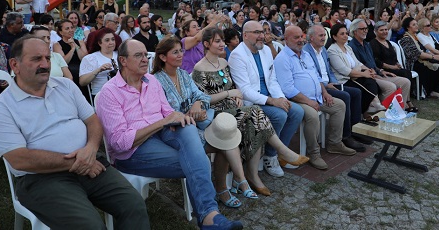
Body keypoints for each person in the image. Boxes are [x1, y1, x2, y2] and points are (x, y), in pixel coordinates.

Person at [0, 36, 150, 229]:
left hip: (92, 162)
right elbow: (20, 159)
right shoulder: (1, 108)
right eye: (37, 59)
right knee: (90, 226)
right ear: (15, 64)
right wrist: (80, 162)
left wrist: (90, 148)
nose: (45, 64)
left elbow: (93, 121)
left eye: (47, 58)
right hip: (42, 179)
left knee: (134, 205)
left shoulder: (66, 86)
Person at [96, 39, 244, 230]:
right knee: (198, 161)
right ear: (123, 61)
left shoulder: (151, 82)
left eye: (145, 54)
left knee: (189, 128)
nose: (145, 59)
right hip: (134, 151)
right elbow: (120, 143)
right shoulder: (110, 93)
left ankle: (209, 215)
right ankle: (209, 215)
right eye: (138, 55)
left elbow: (167, 111)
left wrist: (180, 118)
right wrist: (163, 122)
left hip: (162, 134)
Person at [193, 29, 308, 195]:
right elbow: (202, 100)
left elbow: (234, 88)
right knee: (255, 112)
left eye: (222, 40)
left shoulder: (224, 63)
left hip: (233, 109)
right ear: (206, 44)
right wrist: (229, 94)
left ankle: (252, 176)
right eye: (217, 41)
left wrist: (237, 96)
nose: (222, 44)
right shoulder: (199, 68)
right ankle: (279, 154)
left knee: (255, 122)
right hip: (217, 115)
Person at [154, 37, 258, 206]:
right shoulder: (156, 81)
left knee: (227, 133)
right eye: (175, 52)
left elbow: (201, 96)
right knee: (225, 140)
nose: (181, 55)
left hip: (196, 122)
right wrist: (190, 114)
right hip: (176, 131)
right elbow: (163, 112)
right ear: (163, 57)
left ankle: (232, 183)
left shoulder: (182, 74)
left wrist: (196, 105)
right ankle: (228, 186)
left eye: (181, 50)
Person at [228, 21, 304, 176]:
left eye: (262, 32)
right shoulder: (237, 55)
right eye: (256, 32)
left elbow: (272, 80)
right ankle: (271, 155)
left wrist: (281, 98)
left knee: (296, 111)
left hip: (270, 95)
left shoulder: (266, 51)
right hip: (252, 103)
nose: (261, 36)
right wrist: (272, 101)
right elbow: (245, 91)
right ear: (245, 35)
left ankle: (282, 151)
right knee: (280, 115)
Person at [274, 26, 353, 170]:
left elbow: (317, 77)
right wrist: (308, 101)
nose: (300, 40)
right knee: (312, 116)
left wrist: (324, 92)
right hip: (296, 100)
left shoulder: (305, 54)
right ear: (286, 39)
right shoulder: (282, 59)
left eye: (301, 36)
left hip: (317, 96)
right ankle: (314, 153)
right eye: (296, 37)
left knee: (339, 105)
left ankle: (335, 143)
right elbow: (288, 89)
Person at [304, 25, 368, 150]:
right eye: (321, 35)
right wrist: (326, 85)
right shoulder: (306, 52)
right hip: (319, 87)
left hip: (329, 83)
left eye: (324, 35)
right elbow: (312, 75)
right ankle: (345, 136)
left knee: (356, 92)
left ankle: (355, 130)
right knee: (345, 96)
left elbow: (329, 71)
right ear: (311, 37)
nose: (324, 38)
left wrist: (333, 82)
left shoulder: (322, 50)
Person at [349, 18, 414, 108]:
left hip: (377, 72)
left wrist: (381, 71)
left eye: (366, 28)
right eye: (362, 29)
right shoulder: (352, 47)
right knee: (390, 86)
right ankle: (384, 113)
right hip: (367, 76)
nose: (365, 31)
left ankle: (399, 109)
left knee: (405, 82)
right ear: (355, 31)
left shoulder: (366, 44)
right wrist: (374, 72)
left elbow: (373, 63)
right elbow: (358, 66)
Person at [327, 23, 382, 116]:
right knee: (366, 85)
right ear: (334, 37)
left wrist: (368, 70)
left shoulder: (348, 48)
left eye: (346, 33)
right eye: (342, 34)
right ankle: (367, 109)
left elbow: (358, 63)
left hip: (355, 75)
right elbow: (345, 71)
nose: (345, 36)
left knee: (371, 81)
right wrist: (364, 74)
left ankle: (369, 108)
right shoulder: (332, 50)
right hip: (344, 80)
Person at [369, 21, 420, 110]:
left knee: (406, 73)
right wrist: (391, 67)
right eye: (381, 30)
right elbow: (376, 61)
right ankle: (407, 102)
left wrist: (397, 63)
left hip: (394, 67)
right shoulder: (373, 44)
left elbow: (394, 57)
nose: (385, 32)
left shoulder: (388, 42)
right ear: (376, 31)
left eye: (386, 29)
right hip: (383, 69)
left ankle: (404, 103)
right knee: (405, 74)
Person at [399, 17, 439, 100]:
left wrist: (432, 55)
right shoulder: (406, 39)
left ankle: (434, 91)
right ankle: (426, 92)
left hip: (420, 60)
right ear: (408, 27)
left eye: (416, 24)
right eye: (413, 25)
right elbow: (417, 54)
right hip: (413, 62)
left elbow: (423, 50)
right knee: (434, 66)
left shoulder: (415, 37)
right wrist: (433, 56)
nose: (416, 26)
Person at [79, 28, 119, 97]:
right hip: (102, 94)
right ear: (99, 43)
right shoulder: (90, 58)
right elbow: (82, 82)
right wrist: (98, 70)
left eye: (113, 39)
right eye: (107, 40)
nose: (111, 42)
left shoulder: (120, 55)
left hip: (121, 93)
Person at [53, 19, 88, 86]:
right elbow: (63, 62)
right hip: (68, 72)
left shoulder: (80, 42)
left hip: (81, 71)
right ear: (61, 32)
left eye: (72, 28)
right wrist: (72, 49)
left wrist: (75, 45)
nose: (71, 30)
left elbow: (84, 59)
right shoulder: (57, 45)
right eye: (67, 29)